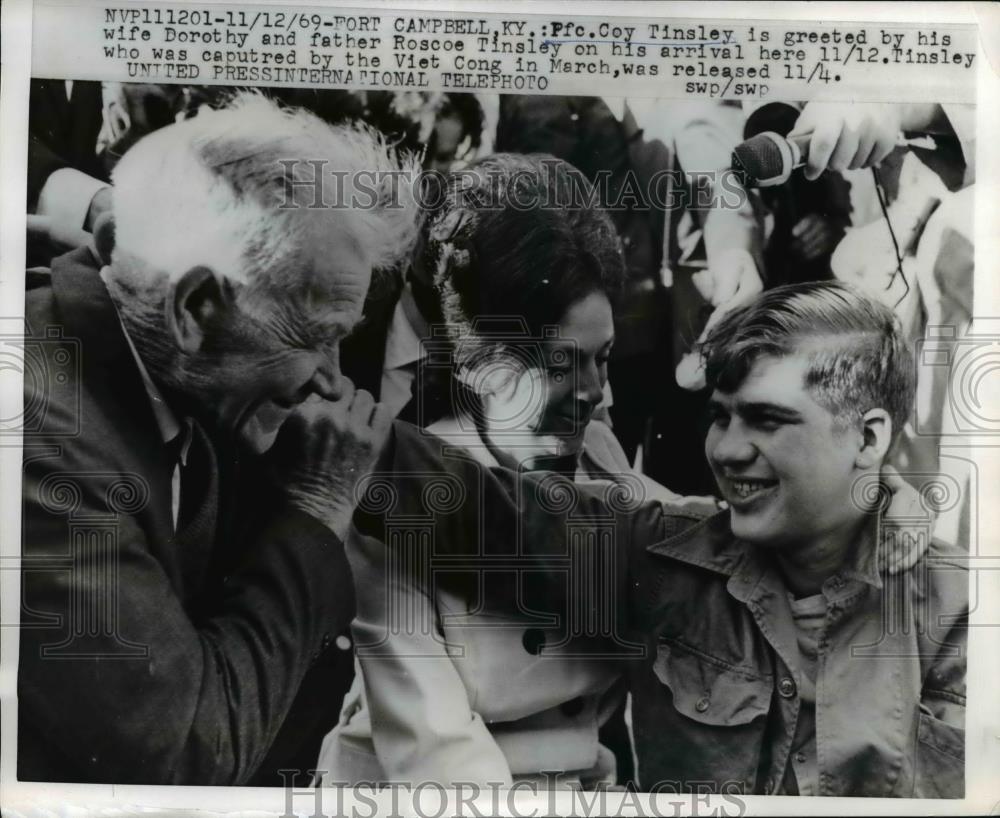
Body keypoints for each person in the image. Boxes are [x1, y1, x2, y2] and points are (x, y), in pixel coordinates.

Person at [353, 280, 966, 797]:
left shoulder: (958, 615)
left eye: (767, 420)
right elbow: (492, 513)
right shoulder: (672, 561)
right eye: (720, 416)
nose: (726, 450)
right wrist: (320, 407)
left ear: (868, 439)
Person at [18, 92, 418, 784]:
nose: (331, 382)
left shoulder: (188, 365)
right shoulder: (41, 438)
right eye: (317, 338)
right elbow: (183, 756)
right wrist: (318, 512)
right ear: (195, 308)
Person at [317, 154, 680, 789]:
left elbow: (695, 545)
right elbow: (434, 746)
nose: (595, 391)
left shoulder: (601, 456)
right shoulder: (407, 488)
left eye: (605, 358)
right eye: (564, 365)